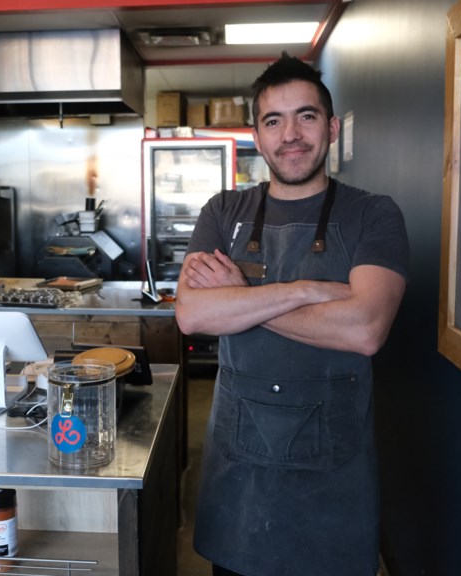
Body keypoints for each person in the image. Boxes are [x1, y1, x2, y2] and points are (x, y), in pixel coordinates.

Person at [175, 53, 409, 576]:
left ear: (332, 127)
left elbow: (366, 328)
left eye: (306, 116)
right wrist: (308, 290)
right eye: (273, 121)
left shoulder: (373, 214)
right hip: (239, 475)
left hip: (333, 482)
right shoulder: (223, 212)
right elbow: (192, 314)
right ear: (256, 137)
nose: (291, 135)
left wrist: (240, 298)